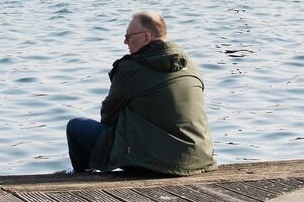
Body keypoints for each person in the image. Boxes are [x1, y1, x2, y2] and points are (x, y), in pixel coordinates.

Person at [65, 10, 215, 175]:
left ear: (145, 37)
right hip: (201, 159)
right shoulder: (190, 65)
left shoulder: (131, 69)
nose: (125, 42)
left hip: (157, 164)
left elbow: (108, 116)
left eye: (129, 36)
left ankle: (82, 176)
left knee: (75, 127)